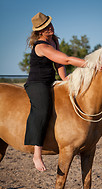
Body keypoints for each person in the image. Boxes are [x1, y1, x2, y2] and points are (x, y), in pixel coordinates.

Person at [24, 12, 87, 172]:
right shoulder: (41, 46)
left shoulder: (53, 40)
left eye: (50, 24)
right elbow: (66, 59)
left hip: (51, 81)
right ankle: (37, 154)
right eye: (45, 27)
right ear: (39, 32)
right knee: (42, 110)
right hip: (37, 84)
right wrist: (91, 64)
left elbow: (59, 63)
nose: (50, 28)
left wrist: (64, 78)